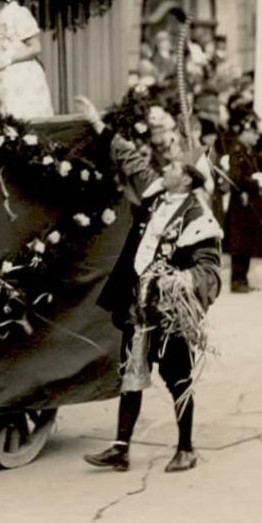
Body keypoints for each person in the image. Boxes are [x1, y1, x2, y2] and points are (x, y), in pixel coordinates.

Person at [76, 95, 222, 475]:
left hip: (169, 310)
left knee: (177, 378)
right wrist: (96, 123)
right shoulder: (156, 190)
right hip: (137, 303)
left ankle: (186, 448)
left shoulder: (198, 218)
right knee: (131, 371)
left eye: (173, 164)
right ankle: (120, 449)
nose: (166, 166)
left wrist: (181, 280)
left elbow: (210, 270)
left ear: (188, 178)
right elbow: (130, 158)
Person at [221, 112, 262, 293]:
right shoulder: (237, 151)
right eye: (254, 133)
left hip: (248, 204)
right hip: (241, 205)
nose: (257, 137)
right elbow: (236, 177)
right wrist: (255, 180)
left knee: (247, 243)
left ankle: (243, 279)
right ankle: (237, 280)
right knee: (240, 244)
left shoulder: (247, 152)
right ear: (246, 132)